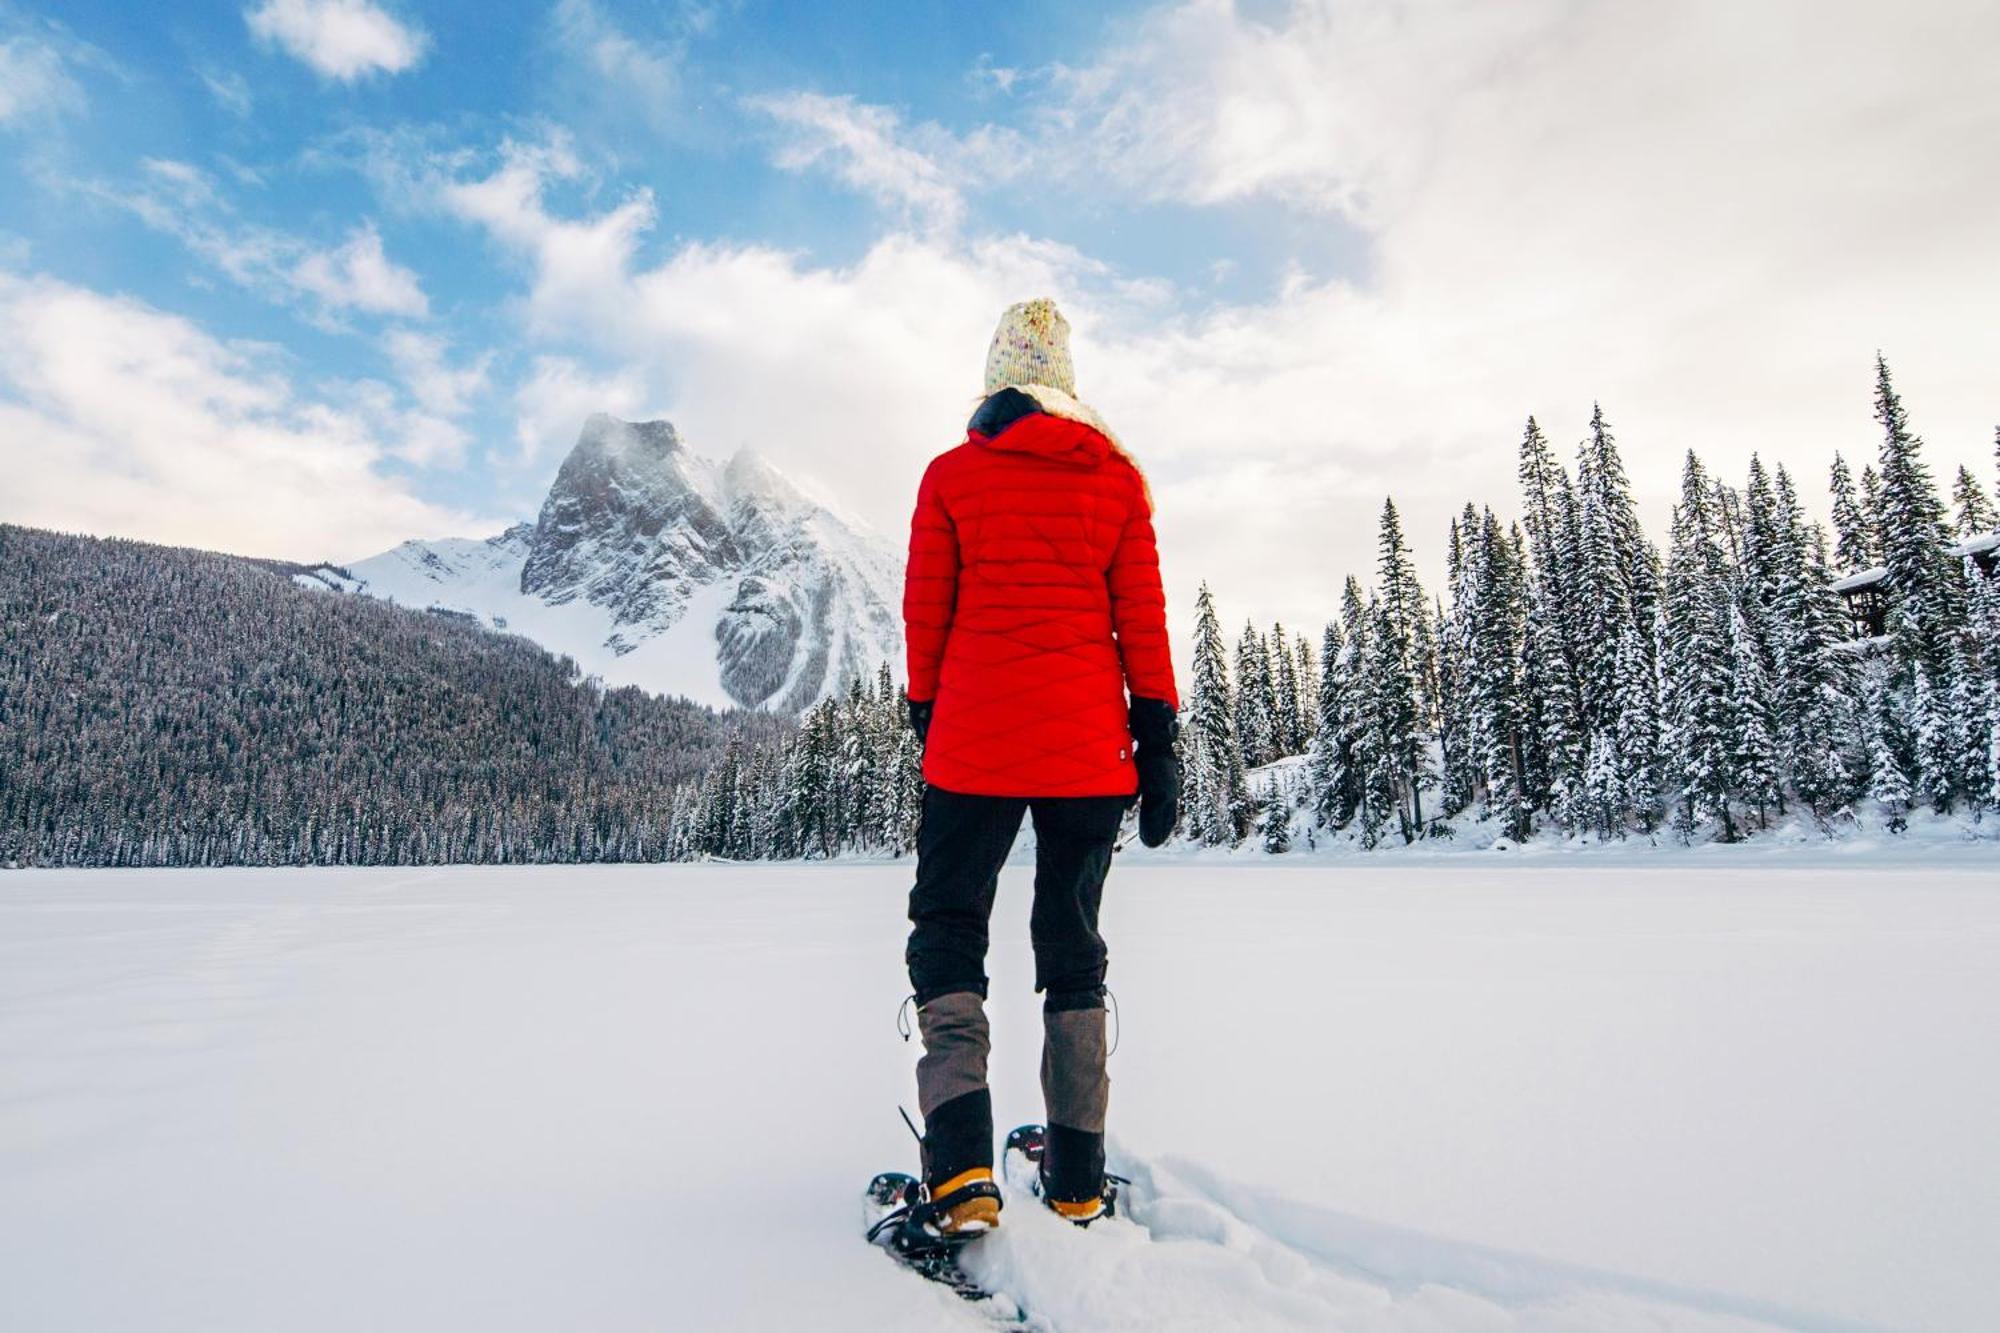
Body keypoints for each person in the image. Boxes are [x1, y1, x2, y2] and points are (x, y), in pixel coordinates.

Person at [899, 297, 1180, 1236]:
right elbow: (1141, 615)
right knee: (1071, 947)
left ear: (996, 381)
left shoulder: (950, 475)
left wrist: (926, 706)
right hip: (1089, 754)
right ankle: (1075, 1176)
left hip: (974, 745)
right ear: (1065, 384)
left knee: (948, 930)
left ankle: (963, 1171)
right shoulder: (1116, 480)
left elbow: (926, 608)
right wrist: (1159, 735)